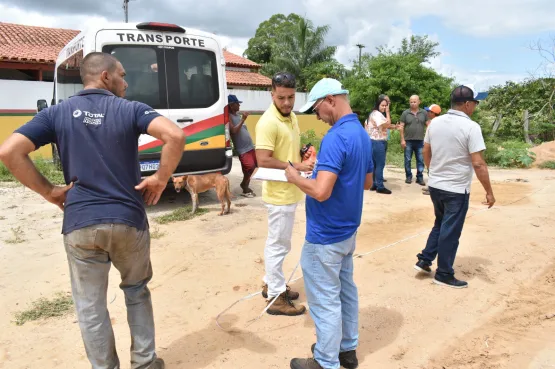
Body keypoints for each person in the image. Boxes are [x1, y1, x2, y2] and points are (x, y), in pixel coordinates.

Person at [0, 52, 186, 369]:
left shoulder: (56, 114)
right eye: (123, 75)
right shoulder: (131, 110)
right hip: (128, 219)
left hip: (80, 223)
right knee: (137, 289)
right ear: (105, 77)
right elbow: (175, 135)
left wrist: (49, 192)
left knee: (89, 304)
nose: (126, 83)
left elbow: (9, 151)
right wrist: (160, 177)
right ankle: (144, 362)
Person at [286, 78, 373, 369]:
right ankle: (346, 350)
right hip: (347, 231)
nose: (318, 115)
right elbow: (367, 182)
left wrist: (296, 178)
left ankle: (325, 361)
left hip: (325, 235)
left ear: (331, 100)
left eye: (317, 108)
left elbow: (322, 192)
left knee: (324, 300)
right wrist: (329, 171)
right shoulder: (361, 133)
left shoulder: (337, 136)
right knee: (346, 291)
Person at [414, 85, 495, 289]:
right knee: (450, 231)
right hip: (456, 189)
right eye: (475, 103)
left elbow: (426, 149)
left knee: (440, 223)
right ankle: (444, 273)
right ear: (467, 104)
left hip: (436, 185)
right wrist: (489, 191)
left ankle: (425, 259)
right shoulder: (471, 127)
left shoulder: (435, 123)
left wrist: (433, 170)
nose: (475, 107)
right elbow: (478, 163)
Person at [255, 72, 313, 316]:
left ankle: (271, 283)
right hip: (278, 194)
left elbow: (286, 150)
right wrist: (295, 166)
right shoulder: (268, 122)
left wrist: (302, 152)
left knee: (280, 243)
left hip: (289, 192)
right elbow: (263, 159)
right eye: (281, 98)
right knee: (278, 245)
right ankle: (276, 298)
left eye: (291, 97)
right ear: (272, 94)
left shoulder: (291, 118)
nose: (287, 103)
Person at [228, 94, 257, 197]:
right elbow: (234, 131)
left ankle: (245, 187)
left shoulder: (237, 115)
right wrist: (243, 119)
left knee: (250, 168)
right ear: (231, 105)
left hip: (249, 146)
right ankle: (244, 185)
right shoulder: (228, 117)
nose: (239, 106)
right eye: (237, 104)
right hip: (242, 149)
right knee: (250, 166)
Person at [366, 97, 392, 194]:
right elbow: (387, 125)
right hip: (378, 142)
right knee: (380, 164)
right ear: (378, 105)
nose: (385, 107)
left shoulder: (375, 114)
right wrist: (388, 112)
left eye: (386, 106)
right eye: (383, 105)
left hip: (374, 141)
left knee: (375, 164)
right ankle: (380, 186)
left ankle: (374, 184)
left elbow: (382, 127)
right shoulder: (377, 114)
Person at [399, 95, 428, 186]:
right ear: (409, 102)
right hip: (408, 141)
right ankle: (408, 176)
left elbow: (428, 125)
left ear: (419, 102)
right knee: (407, 159)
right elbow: (401, 127)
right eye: (411, 101)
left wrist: (427, 139)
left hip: (420, 141)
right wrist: (402, 140)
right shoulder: (405, 113)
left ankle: (419, 177)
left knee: (420, 159)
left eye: (415, 101)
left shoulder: (424, 113)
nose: (413, 103)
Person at [422, 103, 442, 195]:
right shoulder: (442, 122)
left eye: (428, 111)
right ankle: (431, 186)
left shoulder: (432, 123)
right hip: (438, 149)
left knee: (432, 168)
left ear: (433, 113)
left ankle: (433, 188)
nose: (427, 113)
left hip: (433, 149)